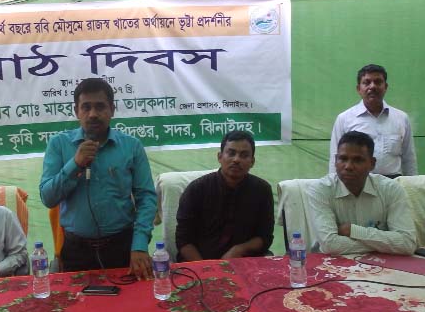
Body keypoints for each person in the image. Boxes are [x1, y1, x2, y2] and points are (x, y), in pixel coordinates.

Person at [40, 78, 157, 280]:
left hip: (123, 248)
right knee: (78, 310)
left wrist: (139, 245)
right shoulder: (59, 145)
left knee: (128, 308)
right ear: (76, 111)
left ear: (112, 109)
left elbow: (146, 199)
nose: (93, 114)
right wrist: (75, 164)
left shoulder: (131, 146)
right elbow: (47, 197)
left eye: (100, 106)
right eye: (86, 107)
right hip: (76, 251)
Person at [309, 131, 417, 255]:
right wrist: (384, 244)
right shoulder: (321, 190)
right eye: (343, 159)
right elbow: (330, 245)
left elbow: (407, 243)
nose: (348, 166)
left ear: (372, 163)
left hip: (382, 266)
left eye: (357, 160)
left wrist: (353, 231)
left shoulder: (391, 189)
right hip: (333, 265)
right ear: (335, 161)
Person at [174, 131, 274, 262]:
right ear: (220, 157)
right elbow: (183, 240)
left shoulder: (262, 190)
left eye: (244, 155)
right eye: (231, 153)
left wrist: (239, 250)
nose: (236, 160)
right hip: (199, 263)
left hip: (243, 262)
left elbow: (264, 237)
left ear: (252, 162)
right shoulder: (196, 189)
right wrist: (206, 268)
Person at [329, 64, 417, 178]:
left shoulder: (401, 118)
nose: (372, 86)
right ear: (358, 89)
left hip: (394, 184)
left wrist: (412, 185)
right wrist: (334, 188)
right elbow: (335, 158)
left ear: (385, 87)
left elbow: (409, 158)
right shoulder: (344, 119)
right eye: (366, 82)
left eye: (378, 82)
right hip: (358, 184)